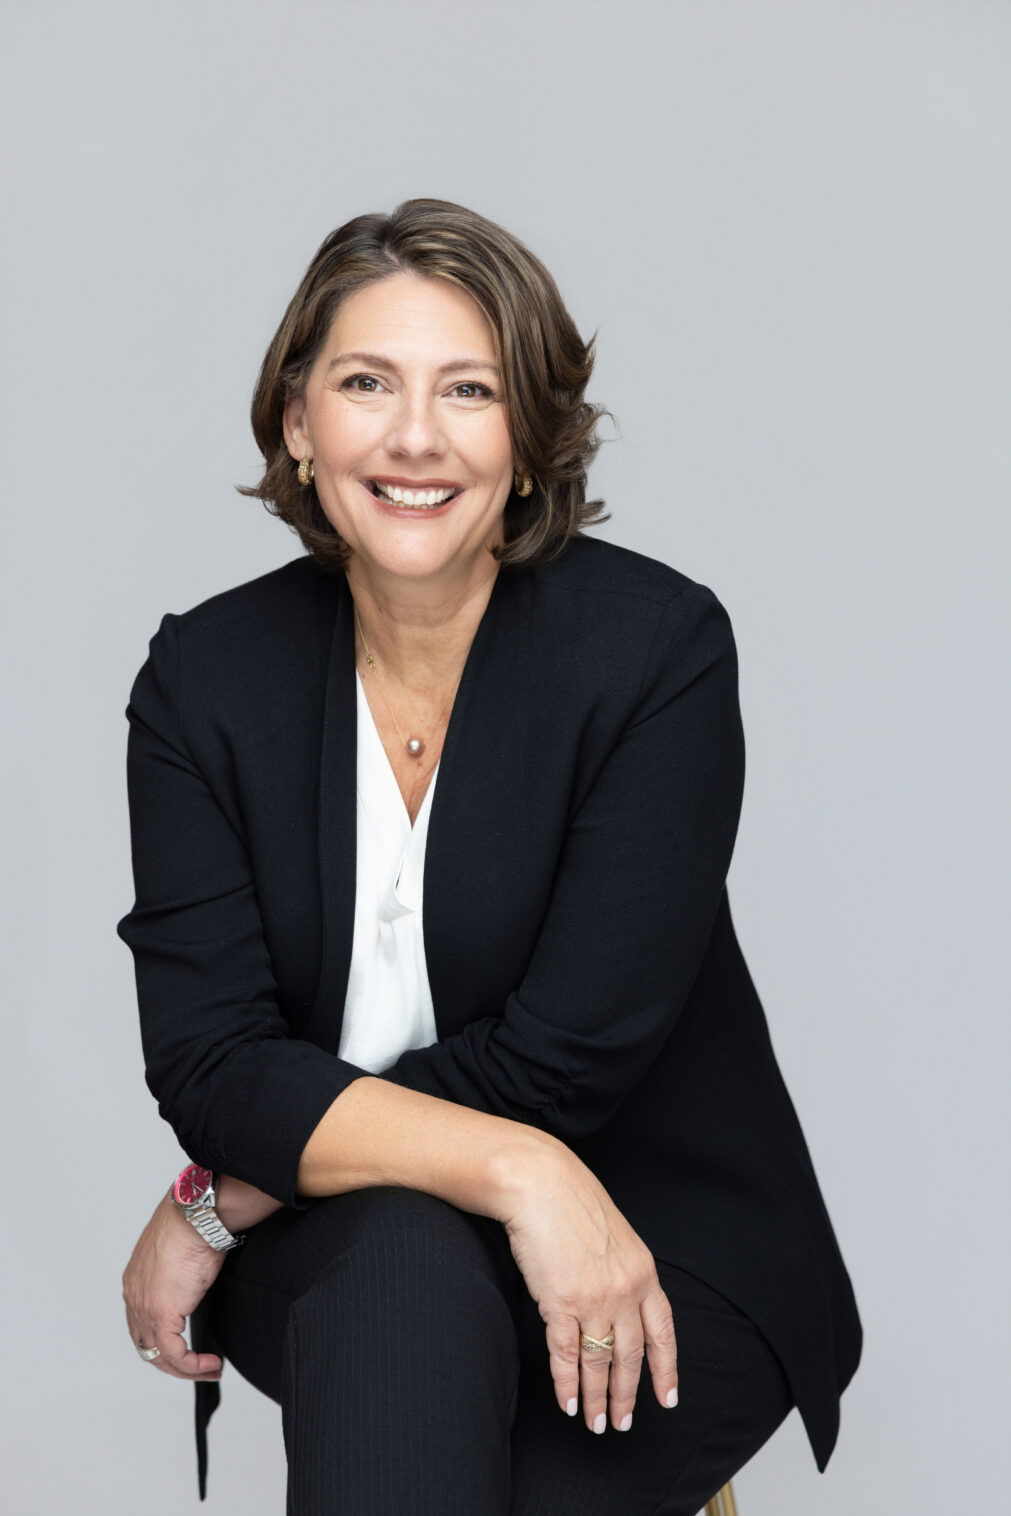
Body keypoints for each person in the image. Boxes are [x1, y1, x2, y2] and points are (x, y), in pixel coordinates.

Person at [116, 197, 862, 1515]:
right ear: (299, 424)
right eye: (366, 383)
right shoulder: (207, 682)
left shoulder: (650, 655)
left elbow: (563, 1062)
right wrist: (520, 1173)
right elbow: (210, 1061)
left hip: (655, 1225)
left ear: (527, 440)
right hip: (353, 1240)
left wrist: (214, 1206)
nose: (415, 435)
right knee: (403, 1264)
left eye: (468, 388)